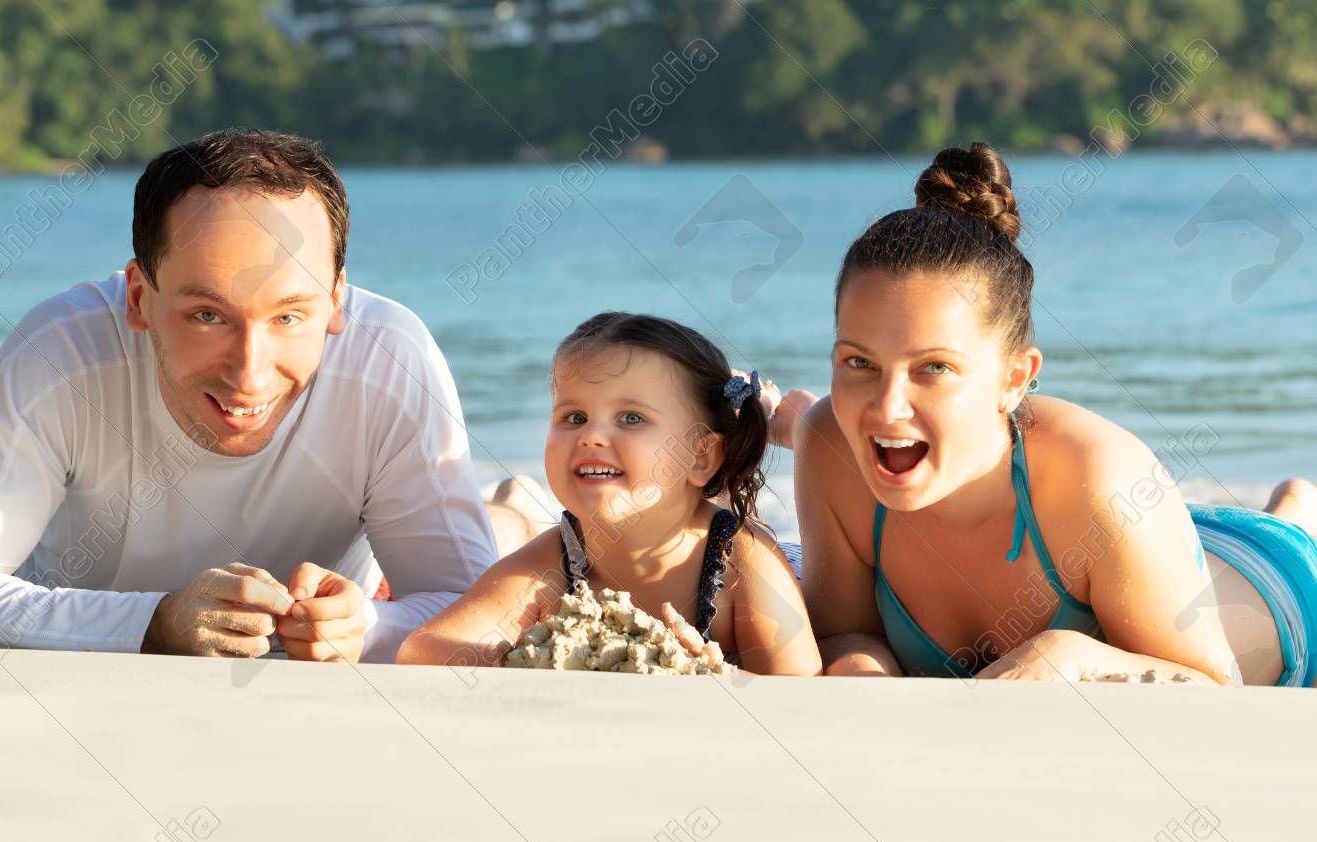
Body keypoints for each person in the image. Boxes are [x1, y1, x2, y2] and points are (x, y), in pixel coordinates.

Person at [0, 128, 498, 663]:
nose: (249, 374)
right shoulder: (63, 350)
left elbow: (473, 613)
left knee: (510, 547)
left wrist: (368, 626)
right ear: (139, 298)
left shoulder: (389, 358)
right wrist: (152, 622)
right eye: (207, 315)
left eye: (290, 316)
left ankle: (511, 516)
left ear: (337, 302)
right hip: (97, 667)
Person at [780, 142, 1317, 685]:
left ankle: (1294, 516)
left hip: (1278, 588)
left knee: (1287, 535)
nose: (887, 408)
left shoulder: (1099, 475)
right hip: (1156, 549)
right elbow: (846, 631)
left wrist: (1075, 655)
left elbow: (1218, 688)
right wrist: (862, 674)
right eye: (858, 362)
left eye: (934, 368)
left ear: (1014, 379)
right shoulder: (831, 446)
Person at [398, 312, 821, 675]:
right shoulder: (557, 562)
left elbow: (801, 686)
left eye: (631, 417)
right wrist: (536, 657)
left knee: (833, 456)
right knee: (506, 525)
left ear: (699, 456)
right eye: (574, 416)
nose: (592, 436)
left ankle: (791, 422)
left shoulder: (743, 559)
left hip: (800, 567)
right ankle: (518, 502)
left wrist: (713, 674)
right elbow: (422, 651)